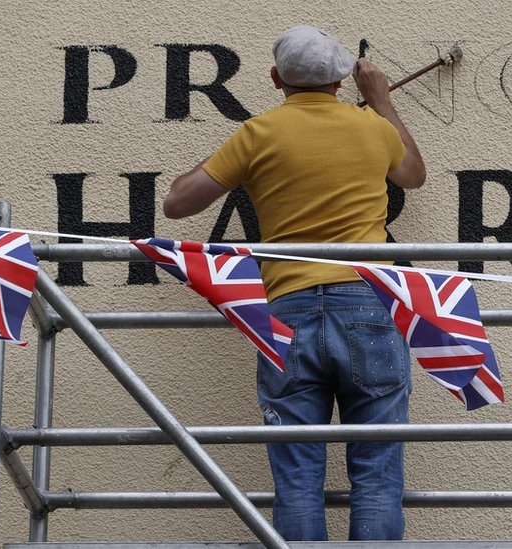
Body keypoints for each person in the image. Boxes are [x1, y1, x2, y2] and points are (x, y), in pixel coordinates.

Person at [160, 25, 426, 541]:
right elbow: (413, 175)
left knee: (298, 479)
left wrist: (227, 162)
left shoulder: (258, 134)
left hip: (288, 309)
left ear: (276, 78)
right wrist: (380, 102)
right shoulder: (373, 128)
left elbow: (176, 203)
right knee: (377, 474)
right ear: (341, 79)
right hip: (369, 303)